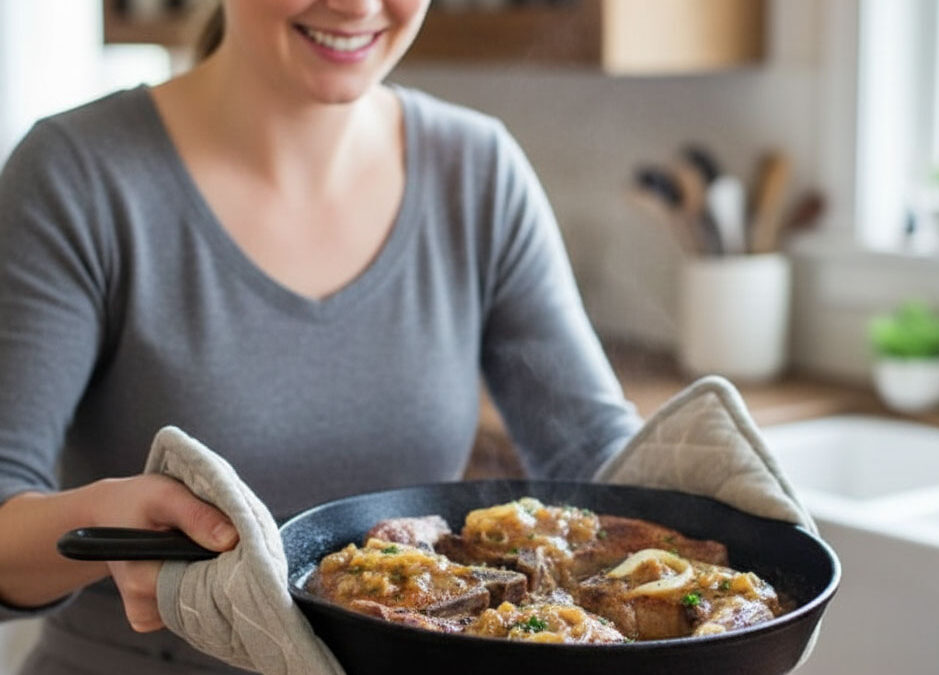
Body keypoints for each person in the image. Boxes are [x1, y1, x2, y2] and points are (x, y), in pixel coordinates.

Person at [0, 1, 642, 673]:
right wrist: (107, 520)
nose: (358, 6)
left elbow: (599, 457)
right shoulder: (76, 175)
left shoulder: (478, 174)